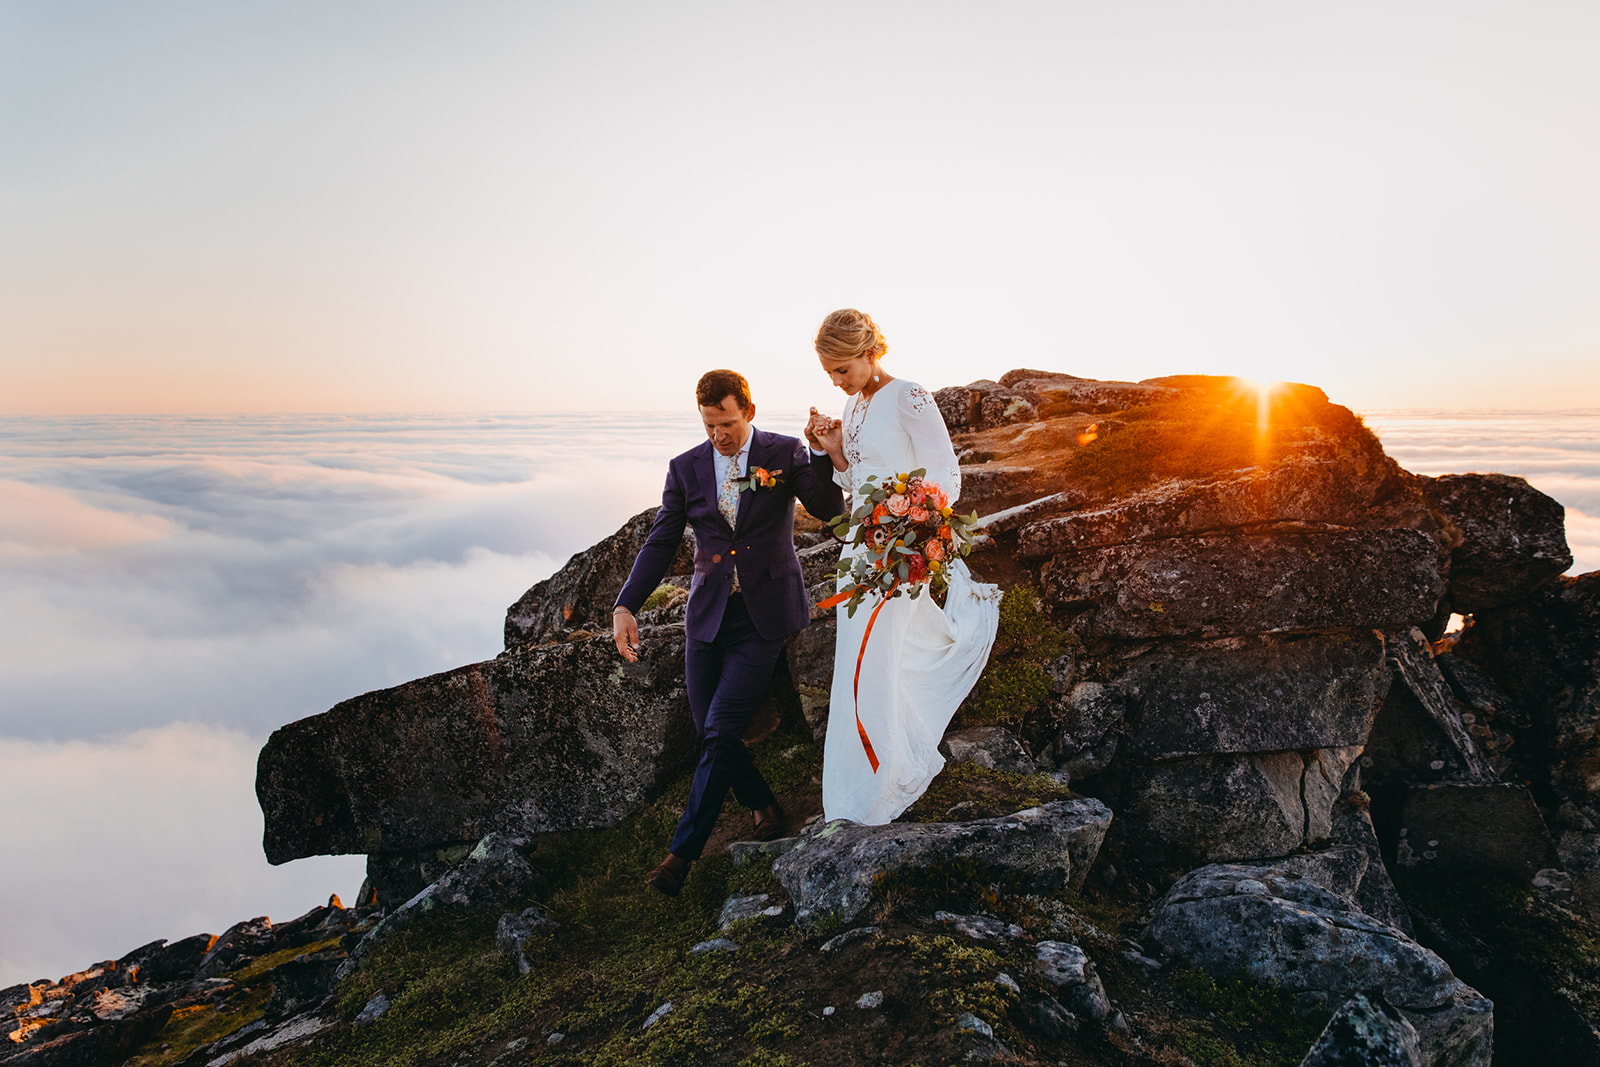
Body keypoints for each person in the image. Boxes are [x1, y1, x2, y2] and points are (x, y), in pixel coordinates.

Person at [614, 369, 844, 896]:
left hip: (763, 613)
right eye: (709, 424)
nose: (718, 434)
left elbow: (830, 511)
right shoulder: (685, 468)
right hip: (707, 615)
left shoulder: (784, 453)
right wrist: (625, 603)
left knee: (719, 731)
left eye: (727, 423)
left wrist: (826, 455)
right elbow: (661, 540)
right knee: (709, 731)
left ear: (750, 412)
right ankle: (764, 806)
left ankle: (680, 855)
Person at [806, 309, 1002, 824]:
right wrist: (832, 451)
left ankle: (882, 776)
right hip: (859, 547)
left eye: (842, 369)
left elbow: (945, 471)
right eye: (828, 373)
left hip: (900, 548)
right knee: (855, 654)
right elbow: (857, 480)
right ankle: (860, 779)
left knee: (877, 653)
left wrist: (917, 529)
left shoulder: (909, 395)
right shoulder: (853, 406)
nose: (836, 381)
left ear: (870, 352)